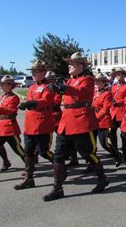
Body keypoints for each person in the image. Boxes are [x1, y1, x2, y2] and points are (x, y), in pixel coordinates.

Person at [43, 52, 109, 201]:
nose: (69, 66)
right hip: (66, 121)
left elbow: (79, 93)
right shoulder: (70, 80)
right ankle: (57, 188)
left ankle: (102, 178)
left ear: (81, 66)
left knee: (88, 154)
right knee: (59, 155)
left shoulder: (88, 79)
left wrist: (62, 88)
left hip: (81, 122)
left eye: (72, 64)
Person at [14, 61, 55, 190]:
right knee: (28, 152)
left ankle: (60, 167)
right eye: (32, 71)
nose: (33, 74)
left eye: (36, 71)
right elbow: (29, 100)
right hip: (30, 123)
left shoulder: (48, 86)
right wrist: (25, 104)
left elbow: (46, 100)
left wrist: (30, 103)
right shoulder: (31, 87)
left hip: (42, 122)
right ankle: (29, 178)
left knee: (44, 152)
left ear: (43, 72)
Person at [93, 73, 122, 166]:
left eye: (98, 81)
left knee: (104, 143)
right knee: (92, 144)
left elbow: (105, 109)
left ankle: (117, 154)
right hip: (92, 120)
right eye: (95, 81)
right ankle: (92, 163)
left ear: (103, 83)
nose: (96, 83)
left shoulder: (107, 94)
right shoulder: (95, 92)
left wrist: (97, 118)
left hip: (102, 120)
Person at [108, 68, 126, 152]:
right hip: (113, 112)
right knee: (111, 132)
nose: (117, 76)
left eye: (119, 74)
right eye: (116, 74)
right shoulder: (113, 86)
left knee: (124, 133)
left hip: (122, 112)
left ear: (124, 75)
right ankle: (115, 150)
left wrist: (118, 102)